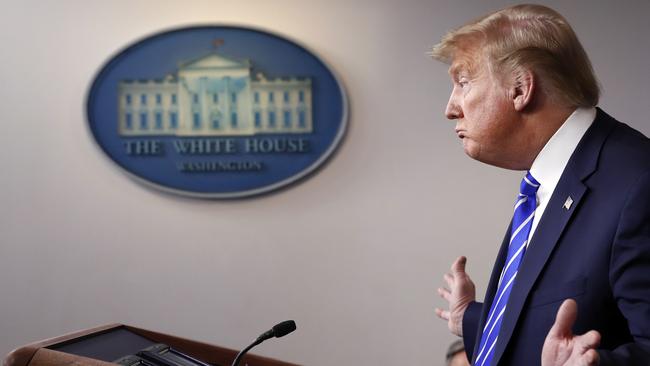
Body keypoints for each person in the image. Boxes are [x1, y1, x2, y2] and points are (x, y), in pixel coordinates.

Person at [430, 4, 650, 366]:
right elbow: (554, 314)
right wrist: (469, 317)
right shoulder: (546, 182)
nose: (450, 108)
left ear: (520, 87)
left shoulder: (639, 183)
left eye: (463, 82)